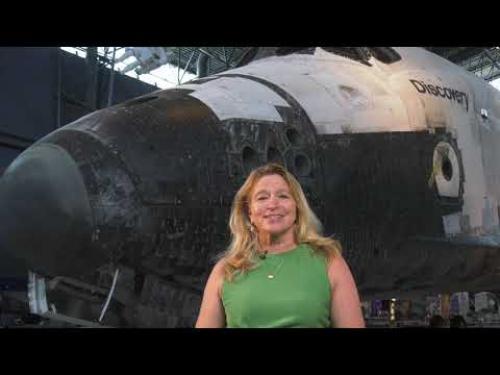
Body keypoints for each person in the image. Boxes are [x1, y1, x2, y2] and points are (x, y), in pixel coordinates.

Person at [196, 163, 365, 328]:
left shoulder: (329, 263)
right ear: (250, 213)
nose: (272, 205)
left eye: (283, 196)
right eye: (262, 197)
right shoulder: (226, 270)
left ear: (297, 208)